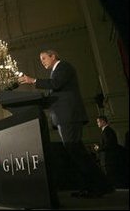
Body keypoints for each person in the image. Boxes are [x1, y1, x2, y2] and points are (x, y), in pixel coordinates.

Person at [18, 49, 113, 198]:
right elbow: (54, 93)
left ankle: (100, 186)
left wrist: (34, 80)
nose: (42, 61)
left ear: (53, 56)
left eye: (44, 58)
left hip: (69, 116)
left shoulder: (64, 67)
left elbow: (56, 84)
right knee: (75, 152)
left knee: (76, 151)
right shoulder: (54, 72)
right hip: (63, 117)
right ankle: (92, 186)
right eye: (40, 59)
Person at [94, 115, 128, 188]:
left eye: (98, 122)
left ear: (103, 121)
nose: (97, 124)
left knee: (111, 176)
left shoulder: (107, 131)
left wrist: (98, 148)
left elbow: (109, 145)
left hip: (108, 159)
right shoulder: (107, 131)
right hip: (108, 159)